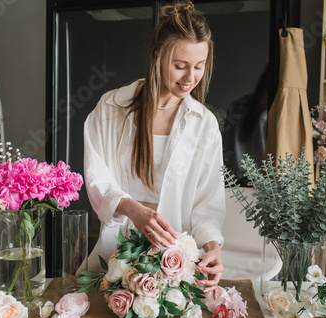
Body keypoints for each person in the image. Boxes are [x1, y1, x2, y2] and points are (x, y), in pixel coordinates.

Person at [83, 0, 225, 294]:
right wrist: (131, 208)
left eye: (199, 66)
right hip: (114, 258)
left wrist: (213, 246)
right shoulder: (111, 108)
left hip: (175, 265)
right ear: (158, 56)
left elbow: (208, 201)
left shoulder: (204, 124)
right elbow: (97, 176)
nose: (190, 78)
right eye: (180, 66)